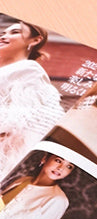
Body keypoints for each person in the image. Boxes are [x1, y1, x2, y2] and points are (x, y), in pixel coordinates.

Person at [0, 18, 64, 181]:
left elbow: (20, 118)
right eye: (3, 33)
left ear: (35, 40)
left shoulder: (30, 69)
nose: (4, 36)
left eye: (15, 32)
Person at [0, 151, 73, 219]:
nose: (61, 168)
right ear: (44, 159)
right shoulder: (23, 180)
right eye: (58, 160)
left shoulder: (59, 200)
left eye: (69, 166)